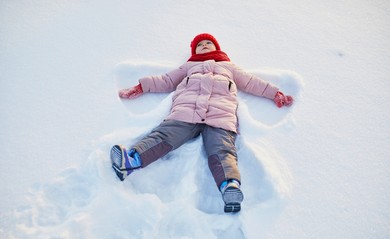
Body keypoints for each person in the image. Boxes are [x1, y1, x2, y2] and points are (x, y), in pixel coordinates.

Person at [111, 33, 293, 213]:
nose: (204, 45)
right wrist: (141, 87)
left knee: (222, 149)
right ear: (194, 50)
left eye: (208, 43)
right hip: (186, 112)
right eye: (200, 44)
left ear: (216, 47)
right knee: (164, 135)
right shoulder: (189, 66)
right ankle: (131, 161)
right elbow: (166, 80)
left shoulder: (229, 67)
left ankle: (230, 186)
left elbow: (253, 83)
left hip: (220, 115)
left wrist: (275, 93)